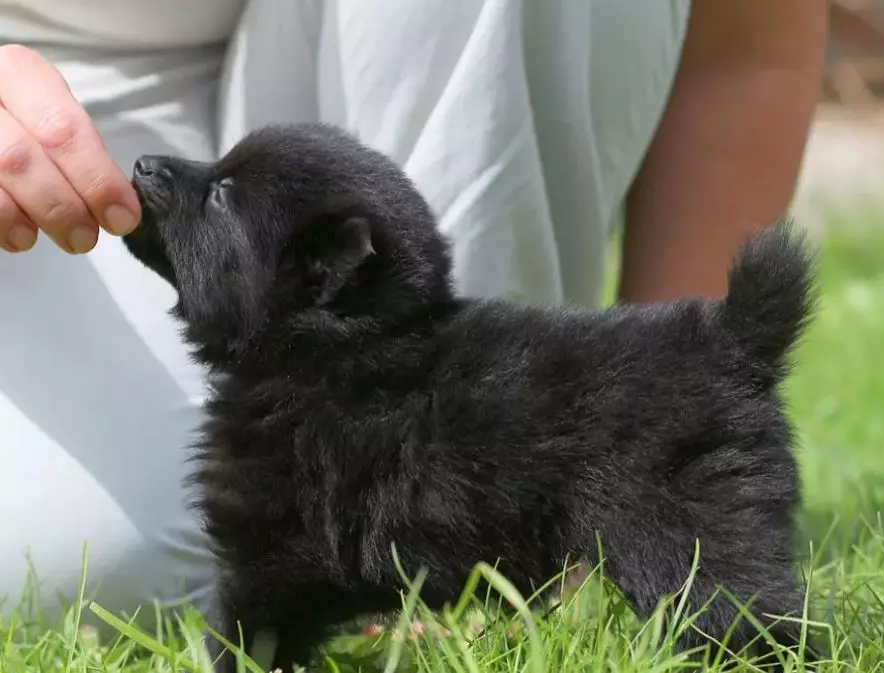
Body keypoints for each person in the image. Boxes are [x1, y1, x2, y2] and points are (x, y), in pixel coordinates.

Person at [0, 0, 826, 632]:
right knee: (86, 565)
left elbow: (748, 45)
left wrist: (659, 403)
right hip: (56, 89)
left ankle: (472, 560)